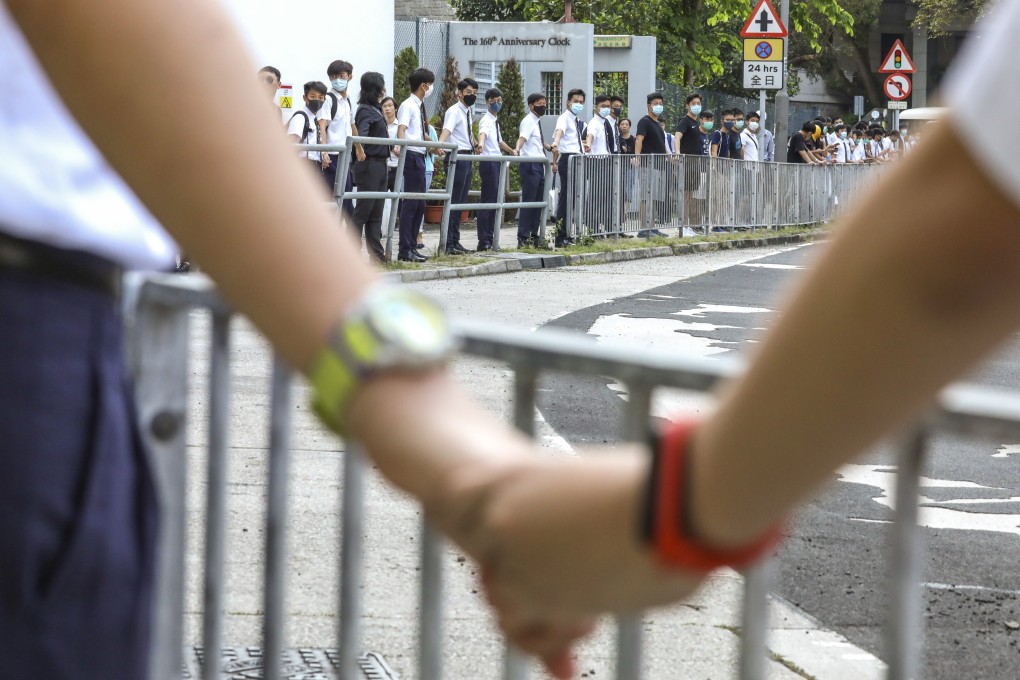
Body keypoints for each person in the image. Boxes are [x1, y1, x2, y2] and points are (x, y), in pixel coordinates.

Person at [349, 72, 390, 264]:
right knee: (363, 211)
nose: (384, 90)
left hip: (381, 164)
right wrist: (361, 150)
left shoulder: (376, 109)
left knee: (376, 212)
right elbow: (361, 135)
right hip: (370, 164)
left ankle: (377, 255)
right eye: (381, 87)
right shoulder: (365, 110)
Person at [396, 68, 436, 263]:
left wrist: (434, 146)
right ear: (424, 85)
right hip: (411, 155)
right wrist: (401, 149)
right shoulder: (408, 105)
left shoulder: (418, 106)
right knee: (411, 203)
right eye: (430, 85)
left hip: (420, 154)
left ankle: (412, 245)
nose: (431, 89)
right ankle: (405, 248)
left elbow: (419, 133)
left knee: (420, 203)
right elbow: (401, 129)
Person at [438, 77, 479, 255]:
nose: (472, 96)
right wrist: (439, 145)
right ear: (460, 93)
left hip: (467, 155)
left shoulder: (468, 111)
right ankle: (447, 242)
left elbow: (466, 134)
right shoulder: (454, 111)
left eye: (475, 93)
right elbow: (447, 130)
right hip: (457, 157)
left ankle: (455, 241)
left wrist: (476, 143)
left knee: (460, 201)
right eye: (469, 93)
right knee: (453, 200)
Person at [317, 59, 361, 215]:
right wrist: (324, 151)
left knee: (346, 200)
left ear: (350, 76)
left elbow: (352, 125)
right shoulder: (329, 99)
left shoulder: (347, 100)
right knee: (335, 200)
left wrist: (359, 149)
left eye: (341, 75)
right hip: (332, 157)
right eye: (333, 76)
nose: (337, 80)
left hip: (345, 156)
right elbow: (322, 124)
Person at [475, 87, 515, 251]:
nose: (497, 104)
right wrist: (481, 144)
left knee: (494, 202)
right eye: (494, 101)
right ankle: (484, 240)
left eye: (499, 101)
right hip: (489, 162)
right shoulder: (486, 120)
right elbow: (483, 134)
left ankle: (490, 238)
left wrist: (511, 150)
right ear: (487, 102)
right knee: (488, 202)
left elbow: (499, 141)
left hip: (496, 162)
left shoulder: (494, 120)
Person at [551, 87, 588, 247]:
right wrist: (556, 142)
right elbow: (559, 132)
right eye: (575, 101)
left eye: (581, 102)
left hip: (577, 159)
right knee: (566, 198)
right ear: (568, 102)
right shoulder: (564, 118)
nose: (578, 104)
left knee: (572, 198)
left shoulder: (575, 120)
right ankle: (560, 237)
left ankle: (567, 233)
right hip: (568, 160)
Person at [514, 93, 551, 248]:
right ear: (531, 105)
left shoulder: (536, 122)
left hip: (539, 164)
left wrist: (549, 147)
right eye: (539, 103)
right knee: (529, 201)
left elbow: (537, 140)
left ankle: (533, 236)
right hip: (530, 164)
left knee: (538, 202)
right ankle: (523, 237)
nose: (543, 106)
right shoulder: (528, 121)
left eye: (544, 103)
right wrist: (516, 149)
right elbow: (522, 138)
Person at [633, 92, 670, 238]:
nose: (659, 106)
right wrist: (637, 157)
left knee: (654, 198)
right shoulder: (645, 121)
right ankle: (644, 228)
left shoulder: (657, 124)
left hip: (659, 166)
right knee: (645, 197)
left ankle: (652, 227)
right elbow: (639, 139)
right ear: (649, 105)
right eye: (655, 103)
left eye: (660, 103)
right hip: (647, 165)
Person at [287, 81, 329, 185]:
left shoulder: (314, 119)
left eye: (320, 97)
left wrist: (322, 154)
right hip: (302, 166)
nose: (317, 100)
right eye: (313, 96)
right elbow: (289, 144)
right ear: (305, 98)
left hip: (313, 166)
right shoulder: (300, 117)